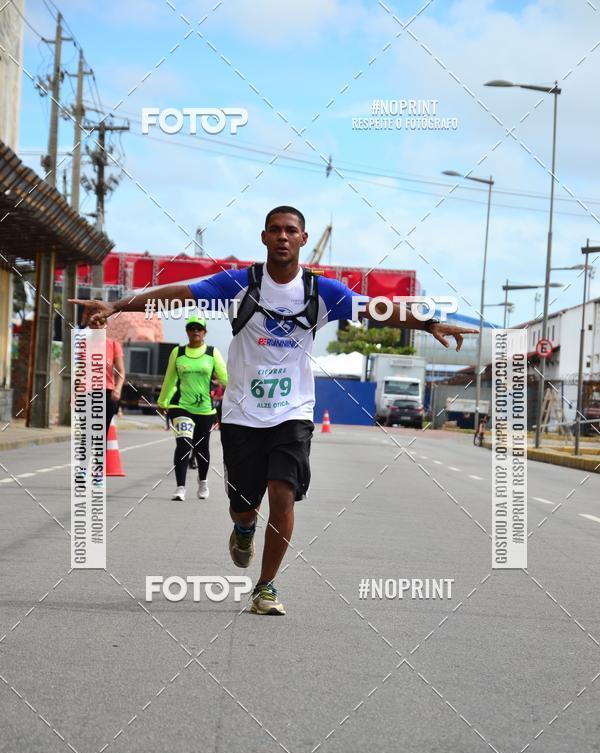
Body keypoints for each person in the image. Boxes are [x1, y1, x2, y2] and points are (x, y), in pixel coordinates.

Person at [72, 206, 477, 616]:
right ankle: (243, 529)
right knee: (243, 505)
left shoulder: (323, 293)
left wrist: (430, 325)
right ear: (264, 238)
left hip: (293, 411)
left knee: (283, 494)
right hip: (242, 413)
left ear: (303, 239)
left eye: (291, 231)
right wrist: (119, 305)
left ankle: (265, 587)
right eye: (275, 230)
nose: (283, 236)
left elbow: (377, 308)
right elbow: (178, 293)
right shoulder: (238, 284)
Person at [157, 314, 227, 501]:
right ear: (187, 331)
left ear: (204, 332)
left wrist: (239, 395)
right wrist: (163, 401)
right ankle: (180, 487)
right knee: (184, 444)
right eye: (191, 328)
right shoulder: (178, 353)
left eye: (199, 329)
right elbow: (170, 378)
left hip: (205, 408)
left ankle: (202, 482)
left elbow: (225, 377)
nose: (195, 331)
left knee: (201, 447)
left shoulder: (212, 353)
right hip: (180, 406)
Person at [82, 309, 125, 435]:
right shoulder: (83, 345)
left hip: (107, 394)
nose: (98, 326)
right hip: (88, 393)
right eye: (95, 324)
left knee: (101, 434)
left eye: (101, 323)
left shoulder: (113, 345)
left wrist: (117, 389)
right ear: (90, 326)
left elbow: (121, 372)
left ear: (105, 325)